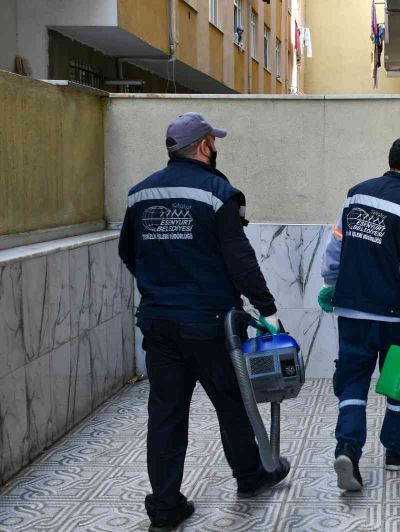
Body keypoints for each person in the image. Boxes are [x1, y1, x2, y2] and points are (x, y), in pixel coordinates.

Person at [119, 113, 289, 532]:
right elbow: (240, 261)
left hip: (159, 324)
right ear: (202, 147)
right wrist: (268, 310)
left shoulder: (140, 194)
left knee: (166, 413)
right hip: (211, 325)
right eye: (213, 140)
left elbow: (128, 252)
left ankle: (164, 507)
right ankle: (249, 477)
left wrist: (160, 287)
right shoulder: (218, 193)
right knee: (231, 403)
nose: (215, 147)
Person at [318, 137, 400, 491]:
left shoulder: (357, 195)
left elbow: (335, 245)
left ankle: (348, 451)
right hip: (394, 315)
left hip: (352, 310)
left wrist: (330, 283)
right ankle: (396, 451)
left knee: (352, 380)